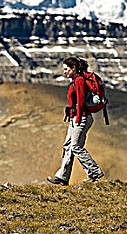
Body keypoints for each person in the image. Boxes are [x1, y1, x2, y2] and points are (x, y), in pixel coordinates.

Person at [47, 57, 104, 185]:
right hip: (76, 117)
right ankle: (62, 177)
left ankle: (94, 171)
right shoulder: (76, 80)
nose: (65, 72)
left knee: (76, 147)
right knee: (68, 146)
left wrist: (78, 117)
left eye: (67, 69)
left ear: (73, 69)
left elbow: (81, 100)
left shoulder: (79, 81)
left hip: (81, 117)